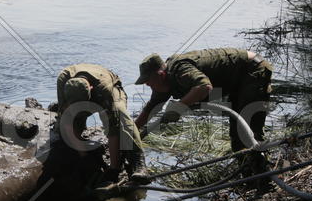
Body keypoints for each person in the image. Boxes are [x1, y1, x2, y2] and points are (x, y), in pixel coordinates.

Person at [134, 48, 273, 173]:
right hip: (238, 80)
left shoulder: (180, 70)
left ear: (161, 74)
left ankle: (265, 181)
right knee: (237, 137)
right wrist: (131, 133)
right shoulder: (161, 84)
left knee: (250, 132)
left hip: (253, 69)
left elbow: (204, 87)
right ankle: (248, 174)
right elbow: (150, 109)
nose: (147, 84)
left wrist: (179, 107)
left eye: (148, 80)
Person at [57, 64, 151, 184]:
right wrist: (84, 155)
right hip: (79, 96)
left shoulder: (103, 88)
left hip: (111, 89)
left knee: (121, 116)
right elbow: (66, 119)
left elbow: (113, 128)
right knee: (63, 131)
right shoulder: (62, 81)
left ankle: (138, 163)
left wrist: (114, 169)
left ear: (90, 89)